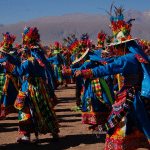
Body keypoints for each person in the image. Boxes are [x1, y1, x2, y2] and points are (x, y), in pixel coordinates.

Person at [74, 5, 150, 150]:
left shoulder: (127, 59)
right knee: (136, 126)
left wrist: (85, 73)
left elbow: (108, 68)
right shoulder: (136, 57)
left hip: (129, 99)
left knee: (118, 129)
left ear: (122, 46)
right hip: (136, 97)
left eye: (117, 47)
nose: (116, 49)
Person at [2, 27, 60, 143]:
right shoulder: (38, 59)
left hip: (30, 89)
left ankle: (27, 136)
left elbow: (19, 71)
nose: (22, 53)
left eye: (24, 51)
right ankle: (54, 133)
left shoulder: (30, 61)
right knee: (45, 109)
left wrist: (7, 65)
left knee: (25, 110)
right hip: (39, 88)